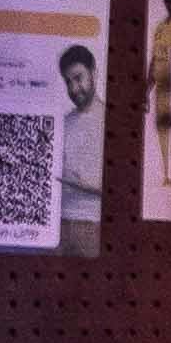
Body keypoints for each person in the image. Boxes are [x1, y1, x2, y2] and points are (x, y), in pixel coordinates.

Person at [57, 40, 106, 239]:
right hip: (59, 224)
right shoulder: (64, 123)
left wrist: (83, 184)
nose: (74, 88)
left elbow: (122, 191)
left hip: (93, 225)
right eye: (68, 82)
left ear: (94, 72)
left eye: (78, 78)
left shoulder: (111, 120)